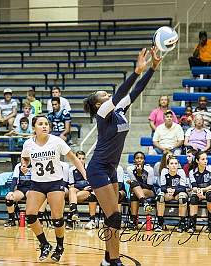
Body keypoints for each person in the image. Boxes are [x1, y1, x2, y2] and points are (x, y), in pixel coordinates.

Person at [83, 47, 161, 266]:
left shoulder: (118, 111)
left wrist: (152, 68)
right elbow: (119, 93)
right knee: (115, 216)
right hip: (97, 168)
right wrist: (135, 71)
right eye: (105, 96)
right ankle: (114, 261)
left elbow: (134, 92)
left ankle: (108, 259)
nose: (110, 97)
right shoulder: (102, 114)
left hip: (111, 167)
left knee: (112, 216)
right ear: (99, 104)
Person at [21, 115, 86, 262]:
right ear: (34, 127)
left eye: (46, 124)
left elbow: (73, 158)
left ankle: (60, 247)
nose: (44, 126)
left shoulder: (57, 141)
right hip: (37, 183)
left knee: (57, 219)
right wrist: (24, 165)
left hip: (55, 183)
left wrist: (85, 174)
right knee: (30, 216)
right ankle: (44, 244)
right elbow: (25, 157)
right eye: (40, 124)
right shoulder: (28, 144)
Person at [156, 156, 189, 232]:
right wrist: (167, 190)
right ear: (167, 165)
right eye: (171, 163)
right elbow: (162, 187)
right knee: (160, 197)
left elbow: (183, 188)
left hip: (178, 193)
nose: (174, 165)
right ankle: (160, 223)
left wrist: (174, 190)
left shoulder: (181, 172)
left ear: (178, 165)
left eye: (176, 163)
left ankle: (182, 223)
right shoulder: (164, 171)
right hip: (168, 194)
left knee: (182, 198)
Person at [67, 151, 98, 230]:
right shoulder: (71, 170)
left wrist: (80, 186)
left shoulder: (89, 168)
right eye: (79, 158)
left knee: (72, 196)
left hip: (87, 191)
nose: (81, 160)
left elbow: (92, 183)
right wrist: (82, 185)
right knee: (71, 190)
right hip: (77, 191)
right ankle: (74, 212)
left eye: (83, 158)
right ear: (75, 159)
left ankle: (71, 214)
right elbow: (71, 184)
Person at [188, 151, 211, 233]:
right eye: (203, 159)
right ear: (197, 161)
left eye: (206, 159)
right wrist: (198, 192)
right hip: (197, 192)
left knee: (210, 195)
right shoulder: (192, 172)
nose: (205, 161)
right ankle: (192, 225)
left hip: (209, 191)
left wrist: (202, 190)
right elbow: (193, 187)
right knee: (193, 199)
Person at [127, 151, 155, 230]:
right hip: (137, 191)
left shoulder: (149, 169)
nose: (139, 160)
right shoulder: (130, 169)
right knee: (134, 193)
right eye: (137, 158)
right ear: (134, 160)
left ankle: (133, 221)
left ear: (144, 160)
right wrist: (137, 175)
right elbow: (135, 184)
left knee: (133, 186)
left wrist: (139, 174)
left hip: (149, 191)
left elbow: (149, 186)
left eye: (141, 158)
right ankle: (145, 204)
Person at [4, 159, 32, 227]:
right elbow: (14, 180)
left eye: (26, 159)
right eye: (23, 159)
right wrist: (11, 191)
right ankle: (11, 220)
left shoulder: (35, 165)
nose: (25, 161)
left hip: (31, 189)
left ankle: (30, 220)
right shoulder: (18, 166)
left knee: (31, 197)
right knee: (9, 198)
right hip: (21, 189)